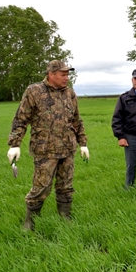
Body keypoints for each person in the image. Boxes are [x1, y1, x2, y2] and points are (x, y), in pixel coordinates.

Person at [7, 60, 89, 231]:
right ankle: (30, 222)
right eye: (63, 74)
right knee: (41, 187)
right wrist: (15, 144)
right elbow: (21, 119)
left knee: (66, 187)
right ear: (51, 74)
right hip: (45, 150)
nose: (67, 77)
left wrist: (83, 143)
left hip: (67, 148)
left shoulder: (70, 94)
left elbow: (76, 120)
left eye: (68, 74)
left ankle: (65, 217)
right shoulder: (34, 91)